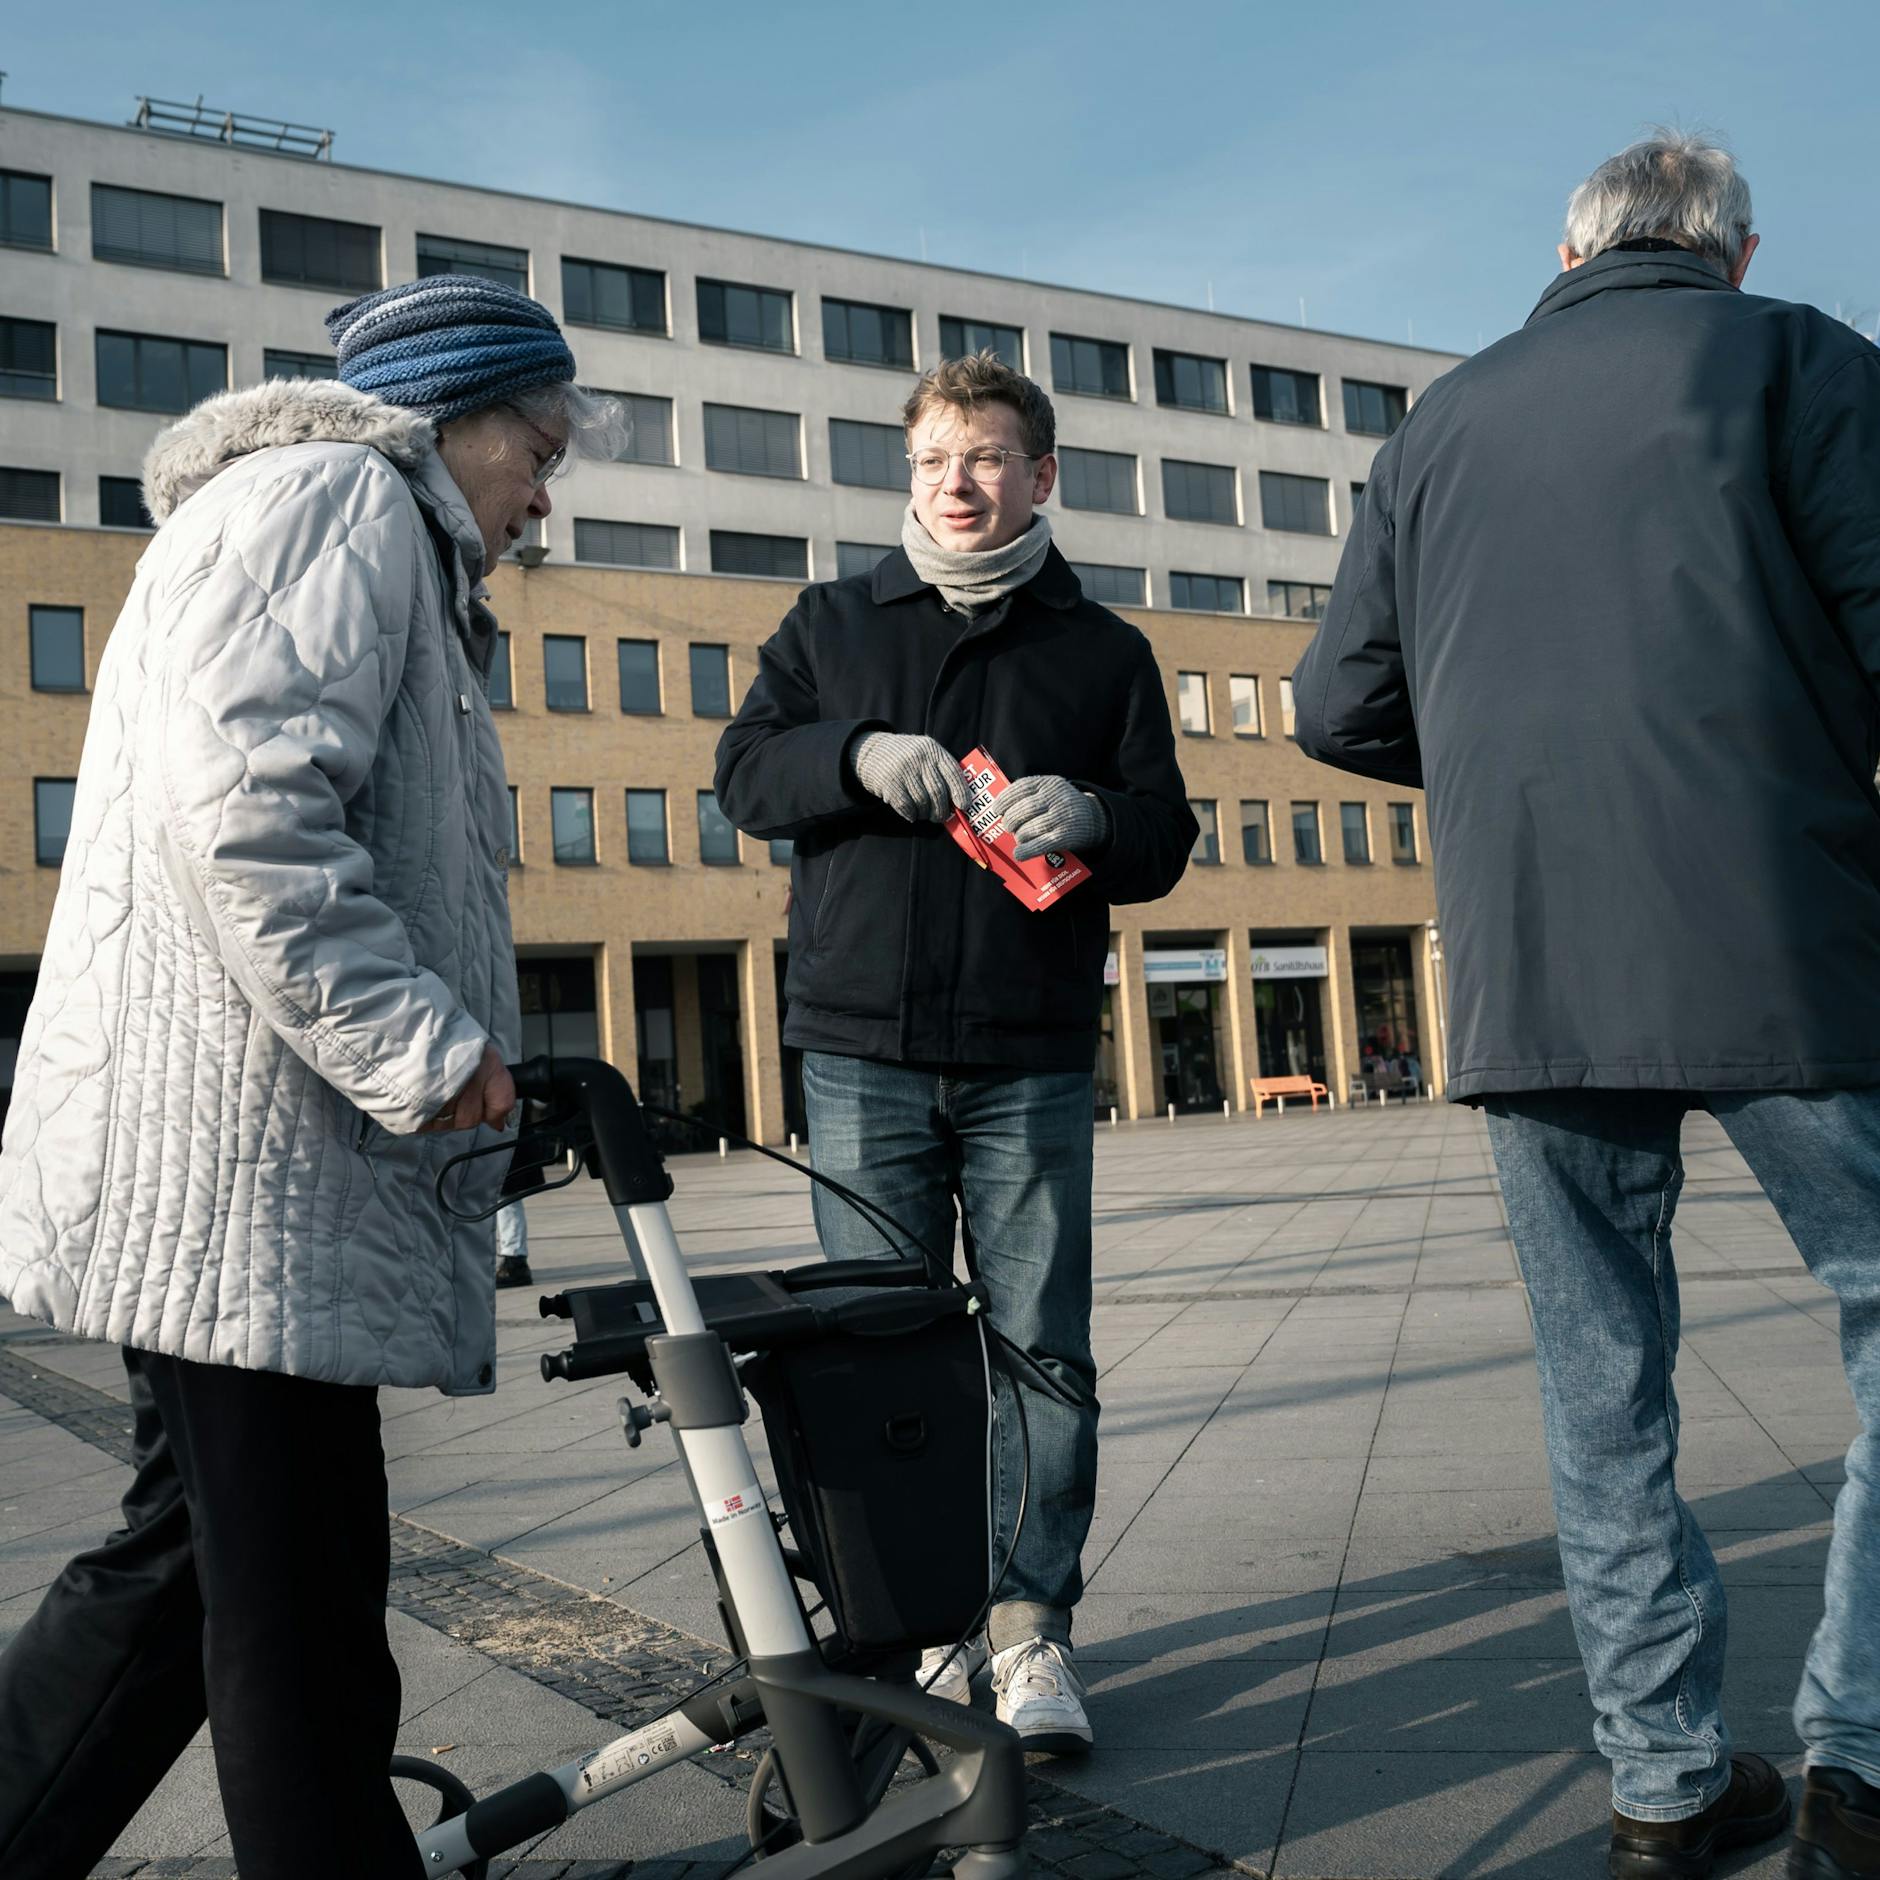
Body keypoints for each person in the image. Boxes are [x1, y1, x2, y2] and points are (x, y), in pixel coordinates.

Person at [1291, 131, 1880, 1880]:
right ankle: (1855, 1762)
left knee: (1599, 1380)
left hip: (1535, 960)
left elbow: (1333, 706)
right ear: (1733, 251)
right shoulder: (1798, 358)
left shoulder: (1440, 424)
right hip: (1788, 936)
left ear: (1568, 254)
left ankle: (1665, 1787)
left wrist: (1507, 758)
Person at [0, 277, 621, 1880]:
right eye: (540, 452)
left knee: (191, 1571)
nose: (544, 497)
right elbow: (255, 818)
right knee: (299, 1604)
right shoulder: (340, 499)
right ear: (454, 420)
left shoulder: (329, 514)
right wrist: (427, 1048)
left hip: (228, 1159)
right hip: (242, 1172)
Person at [714, 351, 1196, 1753]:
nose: (957, 482)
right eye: (933, 459)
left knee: (1042, 1348)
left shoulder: (1101, 649)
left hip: (1027, 1051)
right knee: (880, 1353)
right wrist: (853, 756)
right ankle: (922, 1624)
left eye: (984, 457)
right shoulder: (829, 622)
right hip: (860, 1046)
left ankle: (1030, 1633)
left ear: (1041, 475)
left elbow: (1164, 834)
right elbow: (744, 775)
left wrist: (1095, 815)